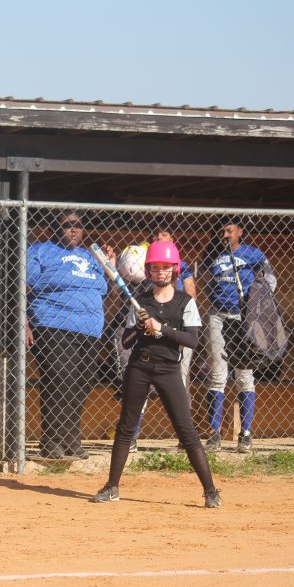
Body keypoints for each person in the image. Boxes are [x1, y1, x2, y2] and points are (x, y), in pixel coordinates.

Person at [93, 240, 221, 508]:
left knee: (186, 430)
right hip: (139, 367)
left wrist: (160, 328)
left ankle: (210, 490)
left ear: (174, 270)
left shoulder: (185, 302)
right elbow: (126, 342)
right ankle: (112, 487)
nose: (160, 272)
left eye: (165, 268)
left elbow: (193, 340)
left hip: (168, 370)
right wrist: (139, 327)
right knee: (126, 427)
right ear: (148, 271)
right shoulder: (141, 301)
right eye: (155, 268)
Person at [26, 212, 114, 459]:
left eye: (78, 226)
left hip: (90, 329)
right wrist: (24, 321)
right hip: (53, 324)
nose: (74, 231)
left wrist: (110, 265)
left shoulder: (91, 255)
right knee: (59, 380)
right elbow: (20, 285)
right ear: (56, 229)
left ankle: (71, 438)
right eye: (67, 226)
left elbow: (106, 290)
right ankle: (51, 441)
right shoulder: (41, 251)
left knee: (81, 385)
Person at [111, 228, 198, 451]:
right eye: (156, 236)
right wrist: (115, 266)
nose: (159, 239)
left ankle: (184, 436)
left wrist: (170, 320)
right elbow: (121, 292)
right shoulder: (142, 263)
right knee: (140, 384)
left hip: (173, 334)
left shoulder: (181, 266)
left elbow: (190, 296)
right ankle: (132, 435)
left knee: (181, 382)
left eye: (164, 235)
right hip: (146, 338)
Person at [202, 217, 275, 453]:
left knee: (244, 375)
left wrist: (257, 299)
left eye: (230, 231)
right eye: (222, 231)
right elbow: (205, 281)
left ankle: (245, 433)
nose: (225, 235)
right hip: (218, 314)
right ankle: (214, 433)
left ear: (239, 232)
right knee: (217, 373)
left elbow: (271, 279)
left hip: (244, 317)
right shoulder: (212, 254)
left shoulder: (252, 253)